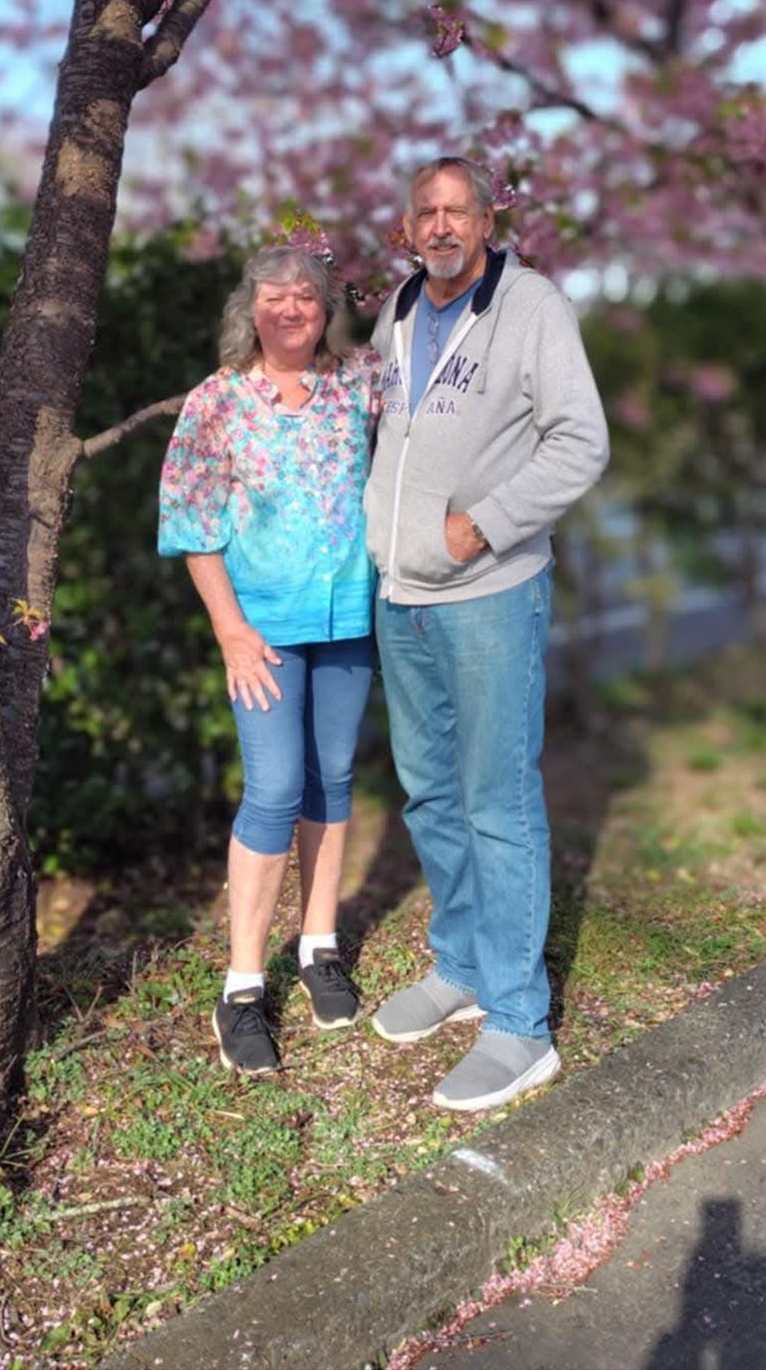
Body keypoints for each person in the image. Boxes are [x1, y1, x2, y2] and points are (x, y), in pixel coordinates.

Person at [364, 156, 609, 1112]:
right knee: (429, 794)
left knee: (496, 799)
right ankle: (462, 966)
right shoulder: (394, 310)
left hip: (490, 593)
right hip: (402, 595)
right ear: (407, 224)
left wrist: (489, 520)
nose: (440, 225)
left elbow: (579, 439)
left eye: (457, 210)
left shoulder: (532, 307)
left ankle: (520, 1022)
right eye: (425, 210)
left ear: (487, 217)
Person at [158, 245, 376, 1076]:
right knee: (276, 789)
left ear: (327, 309)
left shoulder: (358, 384)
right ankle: (243, 985)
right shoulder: (217, 402)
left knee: (333, 779)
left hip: (348, 618)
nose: (291, 310)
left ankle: (319, 944)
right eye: (275, 297)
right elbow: (191, 521)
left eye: (307, 298)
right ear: (250, 309)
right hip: (264, 633)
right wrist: (230, 631)